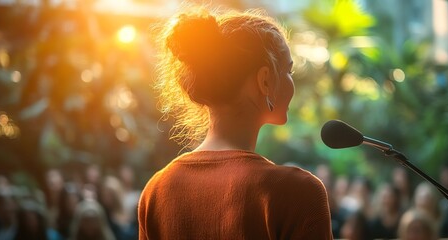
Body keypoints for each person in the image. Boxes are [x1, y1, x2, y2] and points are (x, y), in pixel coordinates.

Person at [137, 6, 332, 240]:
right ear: (265, 81)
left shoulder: (157, 190)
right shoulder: (298, 194)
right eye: (288, 71)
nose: (293, 82)